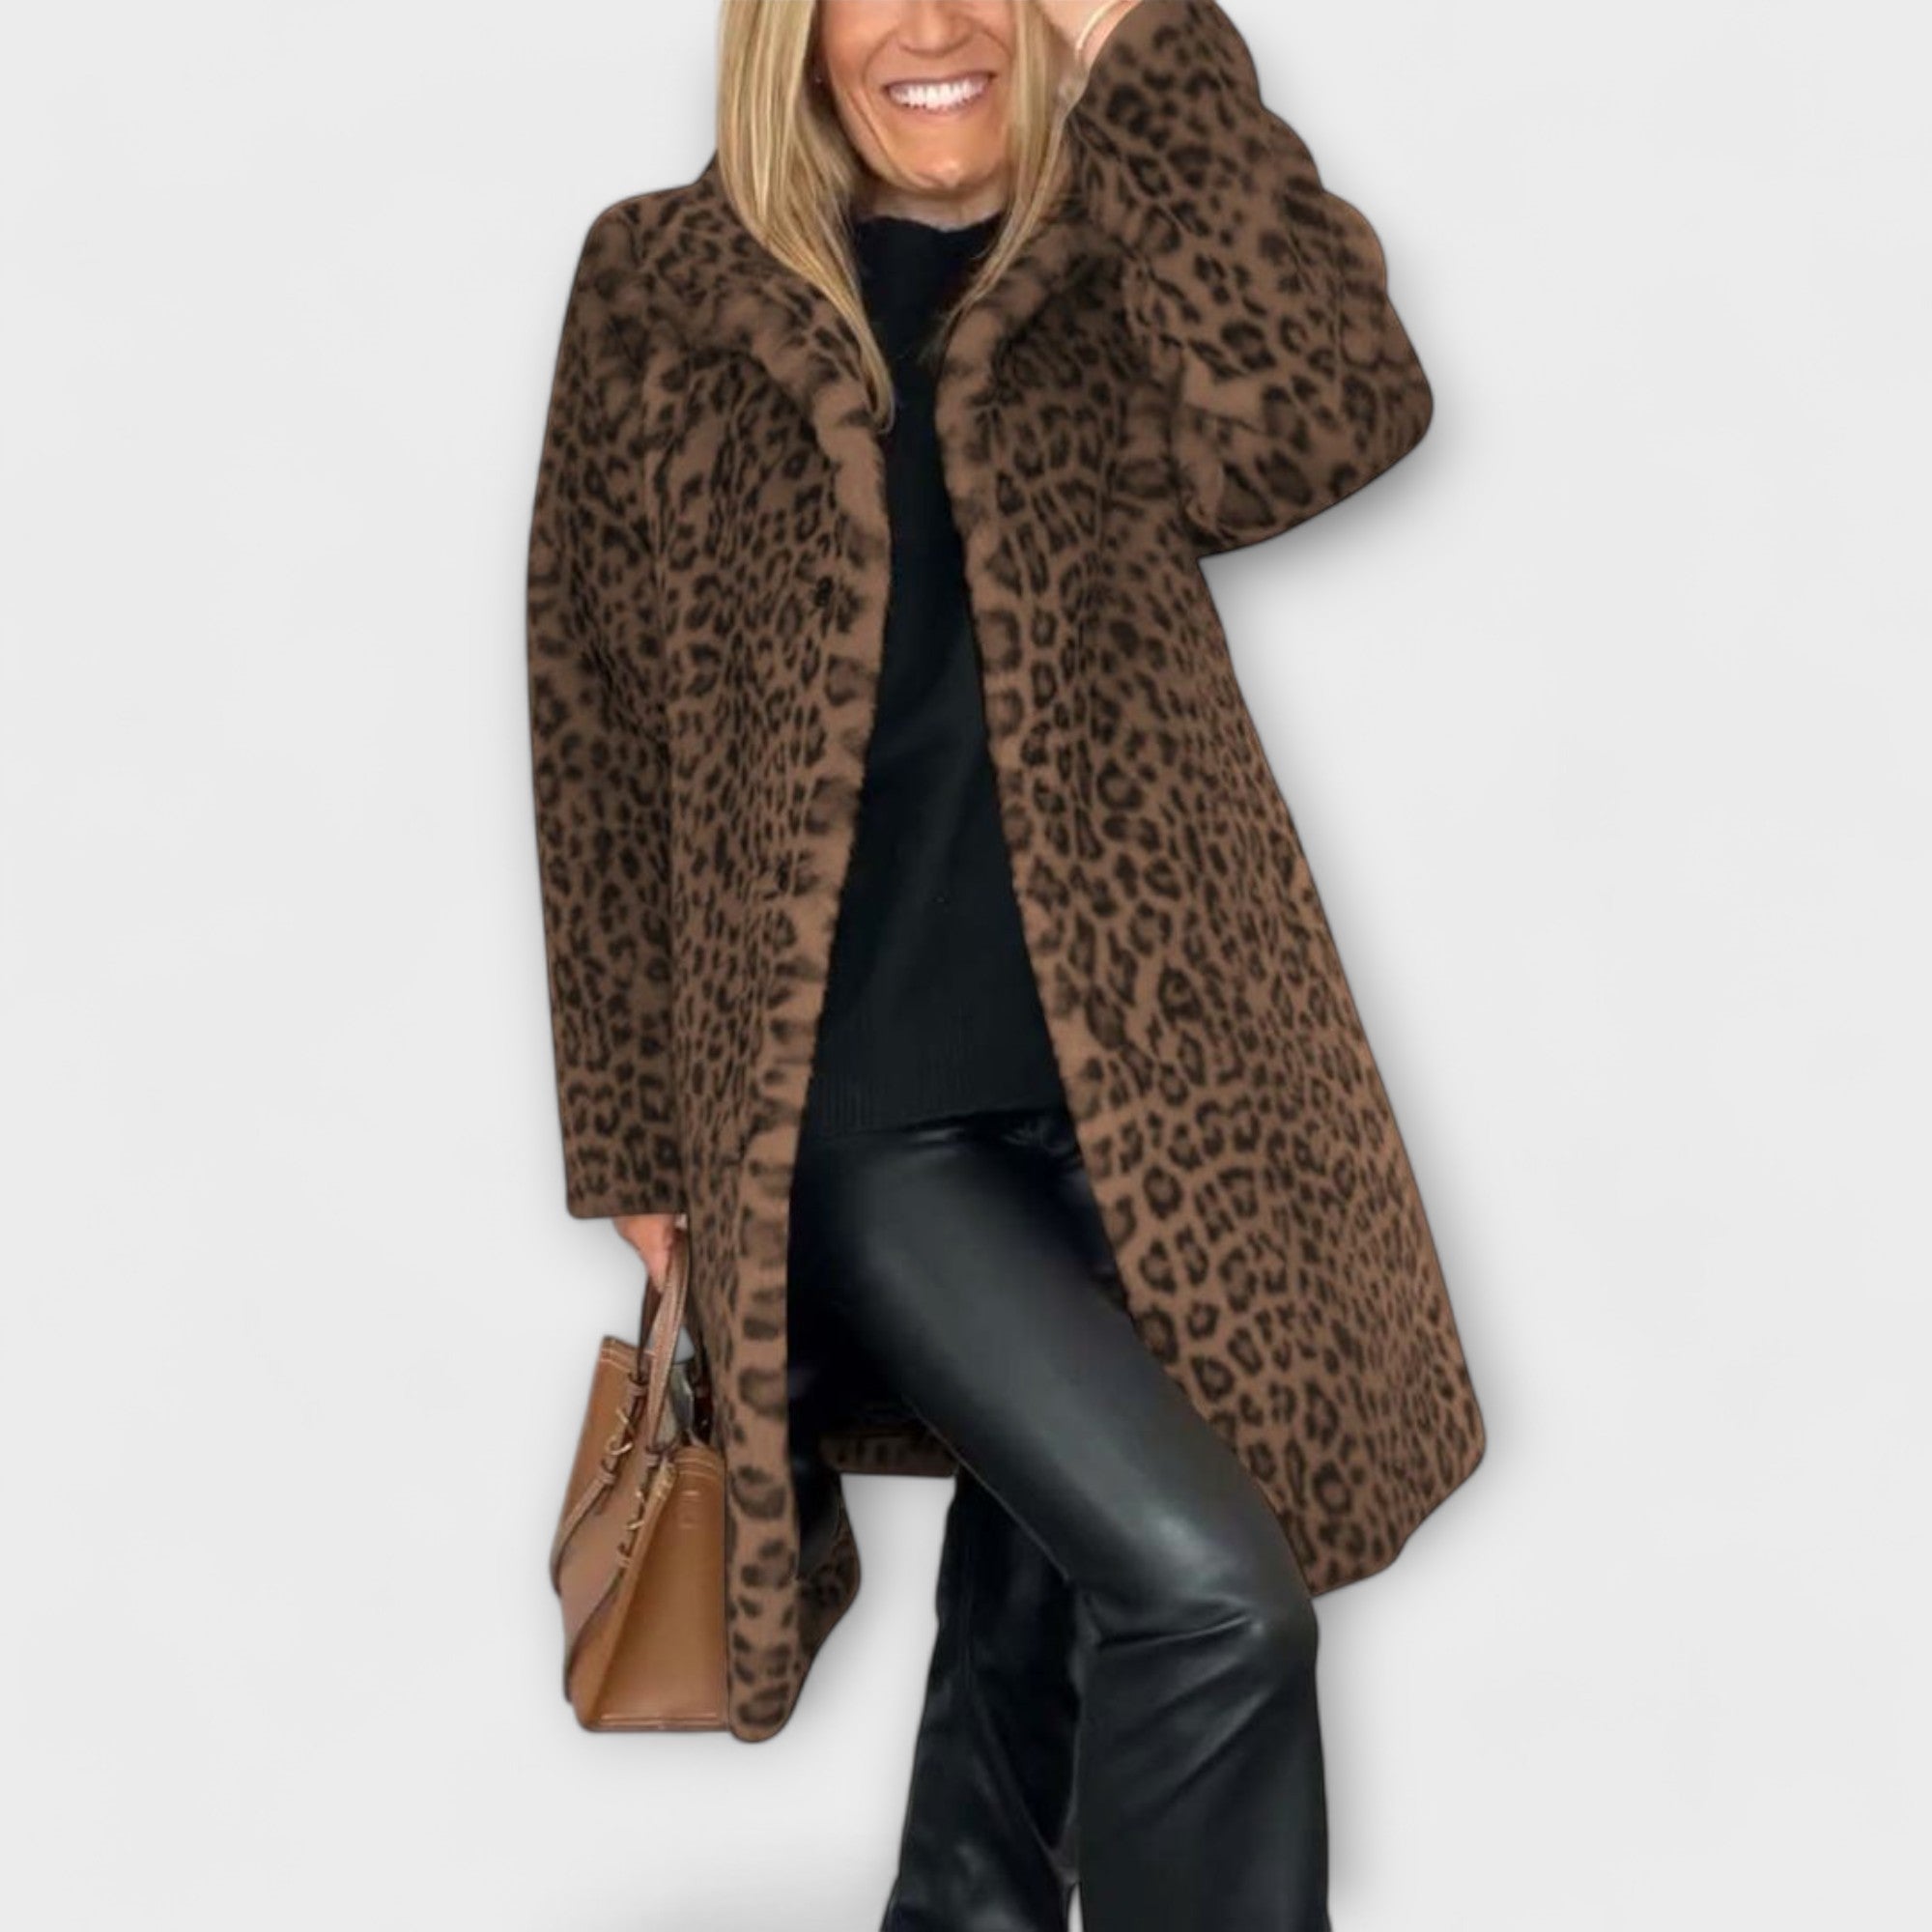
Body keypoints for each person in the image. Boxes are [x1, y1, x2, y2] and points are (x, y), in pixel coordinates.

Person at [524, 3, 1487, 1925]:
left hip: (1159, 1097)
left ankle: (959, 1902)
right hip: (860, 1116)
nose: (939, 25)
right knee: (1212, 1600)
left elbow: (1326, 419)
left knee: (1045, 1600)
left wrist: (1148, 45)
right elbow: (594, 722)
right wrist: (633, 1142)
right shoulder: (665, 282)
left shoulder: (1120, 241)